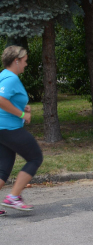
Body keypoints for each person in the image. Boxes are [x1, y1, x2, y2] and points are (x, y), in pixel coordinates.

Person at [0, 46, 43, 214]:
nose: (26, 64)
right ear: (16, 61)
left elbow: (7, 99)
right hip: (8, 128)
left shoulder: (3, 75)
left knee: (3, 168)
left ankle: (13, 197)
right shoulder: (10, 78)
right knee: (35, 157)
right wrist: (22, 114)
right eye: (24, 61)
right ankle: (13, 197)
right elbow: (1, 100)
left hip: (2, 129)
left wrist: (21, 106)